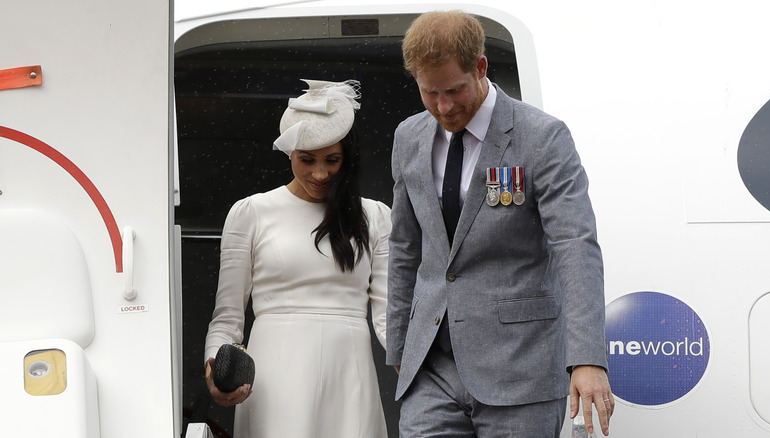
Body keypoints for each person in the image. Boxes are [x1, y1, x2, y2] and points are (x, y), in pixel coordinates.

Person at [386, 11, 614, 438]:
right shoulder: (408, 137)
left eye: (454, 90)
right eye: (429, 92)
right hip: (431, 369)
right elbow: (404, 247)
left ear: (481, 67)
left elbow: (575, 243)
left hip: (521, 368)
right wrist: (400, 343)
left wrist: (588, 357)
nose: (443, 106)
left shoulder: (543, 137)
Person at [204, 79, 390, 438]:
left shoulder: (377, 216)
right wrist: (216, 367)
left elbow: (388, 318)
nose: (320, 174)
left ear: (347, 158)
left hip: (350, 373)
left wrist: (420, 367)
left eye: (332, 160)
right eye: (307, 160)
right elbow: (227, 316)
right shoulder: (252, 212)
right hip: (276, 371)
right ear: (289, 153)